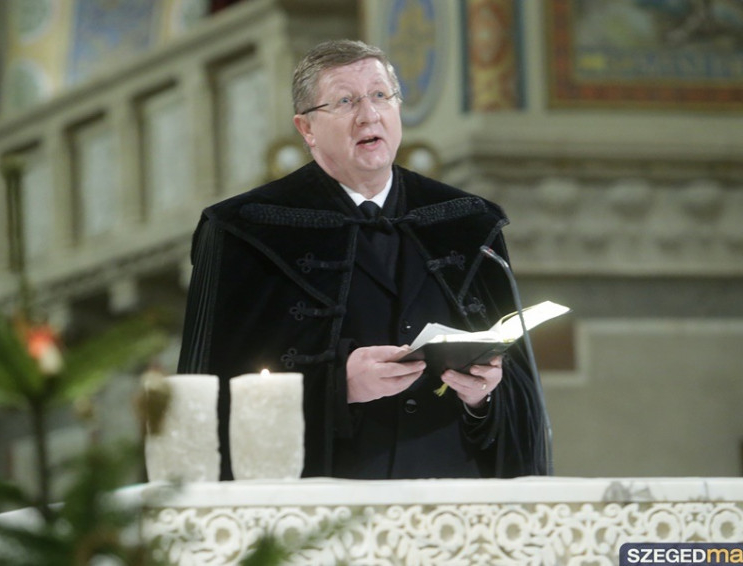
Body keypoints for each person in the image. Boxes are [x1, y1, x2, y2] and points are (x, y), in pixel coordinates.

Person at [177, 39, 548, 480]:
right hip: (319, 503)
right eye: (345, 101)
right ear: (306, 128)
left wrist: (483, 396)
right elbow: (205, 398)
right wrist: (336, 386)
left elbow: (523, 396)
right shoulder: (244, 230)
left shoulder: (467, 222)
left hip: (451, 497)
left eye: (380, 95)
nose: (369, 115)